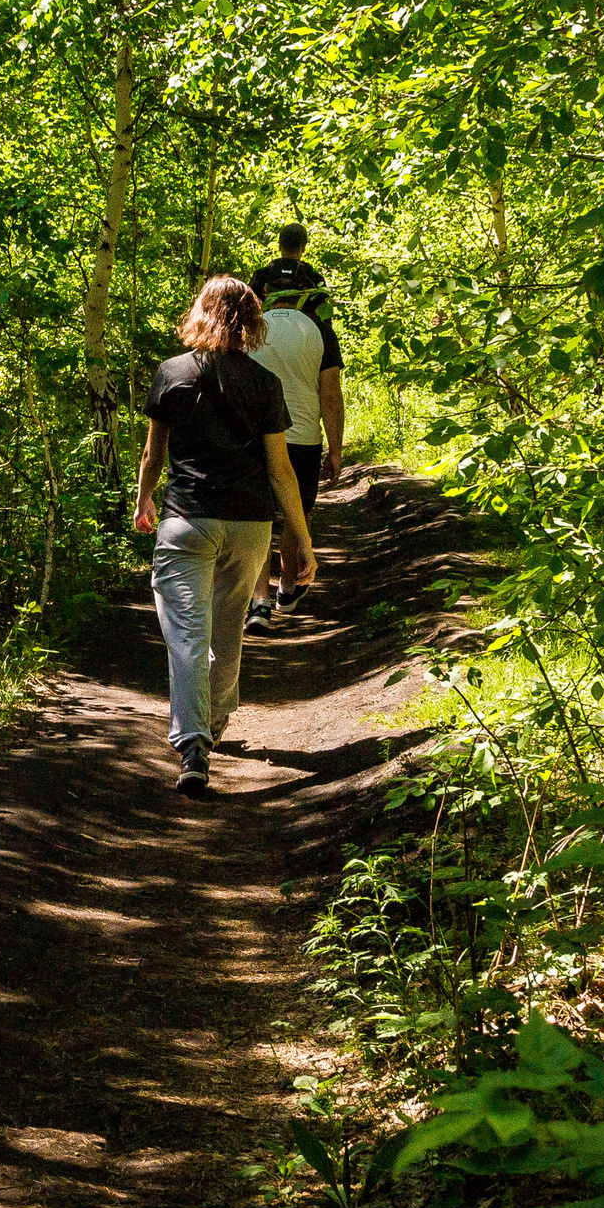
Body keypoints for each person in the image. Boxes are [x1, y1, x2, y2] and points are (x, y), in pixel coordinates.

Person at [134, 276, 319, 797]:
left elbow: (154, 454)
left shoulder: (172, 373)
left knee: (187, 633)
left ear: (200, 313)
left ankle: (194, 743)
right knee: (228, 628)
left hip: (187, 520)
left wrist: (143, 499)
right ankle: (213, 724)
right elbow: (281, 470)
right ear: (253, 323)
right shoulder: (264, 383)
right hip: (249, 525)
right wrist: (300, 539)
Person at [246, 225, 344, 629]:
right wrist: (335, 450)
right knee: (295, 512)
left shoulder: (250, 328)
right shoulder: (321, 330)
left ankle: (259, 602)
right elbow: (331, 395)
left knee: (255, 518)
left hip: (252, 435)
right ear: (303, 247)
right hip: (302, 436)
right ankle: (288, 584)